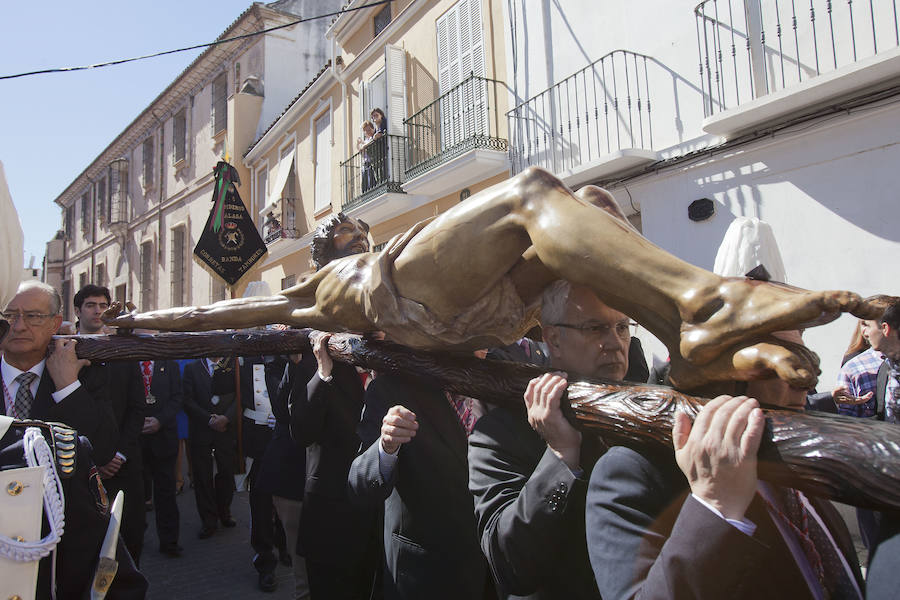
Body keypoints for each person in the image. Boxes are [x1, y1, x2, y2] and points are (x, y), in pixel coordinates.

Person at [102, 168, 884, 392]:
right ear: (326, 252)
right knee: (530, 194)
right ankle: (697, 309)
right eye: (336, 235)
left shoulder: (377, 256)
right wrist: (147, 324)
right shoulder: (321, 287)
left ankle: (687, 331)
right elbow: (247, 314)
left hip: (484, 312)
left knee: (584, 208)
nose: (345, 232)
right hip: (414, 306)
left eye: (346, 229)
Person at [585, 340, 864, 599]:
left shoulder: (793, 449)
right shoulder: (632, 472)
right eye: (780, 363)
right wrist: (715, 506)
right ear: (719, 377)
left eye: (806, 361)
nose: (805, 384)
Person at [468, 280, 637, 598]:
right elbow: (509, 565)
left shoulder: (645, 410)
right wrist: (560, 456)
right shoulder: (498, 433)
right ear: (553, 338)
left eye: (623, 327)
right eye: (595, 328)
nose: (615, 342)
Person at [348, 350, 494, 599]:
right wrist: (386, 447)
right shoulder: (392, 389)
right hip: (423, 576)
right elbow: (359, 485)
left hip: (490, 574)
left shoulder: (499, 383)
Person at [288, 332, 379, 599]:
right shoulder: (318, 363)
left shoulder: (388, 368)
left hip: (375, 521)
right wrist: (323, 374)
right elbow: (301, 432)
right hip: (330, 520)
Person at [0, 281, 117, 461]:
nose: (19, 326)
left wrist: (68, 387)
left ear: (55, 324)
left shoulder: (83, 374)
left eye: (33, 316)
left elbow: (102, 451)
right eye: (9, 315)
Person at [75, 284, 147, 564]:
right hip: (81, 467)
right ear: (78, 310)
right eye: (91, 305)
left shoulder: (123, 353)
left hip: (124, 465)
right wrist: (94, 459)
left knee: (130, 537)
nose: (98, 311)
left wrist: (119, 454)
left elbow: (136, 407)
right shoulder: (65, 351)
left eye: (103, 306)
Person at [255, 350, 313, 599]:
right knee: (304, 571)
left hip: (334, 470)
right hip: (293, 472)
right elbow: (283, 410)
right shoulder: (277, 359)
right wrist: (296, 362)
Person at [241, 354, 290, 592]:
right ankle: (265, 563)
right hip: (258, 441)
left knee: (285, 496)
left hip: (284, 439)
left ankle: (285, 546)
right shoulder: (245, 357)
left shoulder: (287, 356)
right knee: (260, 503)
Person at [137, 338, 184, 557]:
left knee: (165, 493)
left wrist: (159, 420)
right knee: (136, 494)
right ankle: (135, 537)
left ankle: (169, 541)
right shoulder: (128, 363)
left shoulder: (170, 363)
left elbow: (177, 398)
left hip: (163, 437)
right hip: (136, 439)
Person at [182, 356, 238, 538]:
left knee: (227, 473)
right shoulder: (192, 367)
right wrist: (208, 419)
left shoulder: (232, 365)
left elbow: (240, 395)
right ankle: (208, 520)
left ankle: (224, 512)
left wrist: (226, 418)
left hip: (225, 430)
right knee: (202, 477)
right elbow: (187, 400)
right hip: (201, 431)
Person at [357, 120, 377, 192]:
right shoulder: (366, 140)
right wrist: (359, 144)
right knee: (365, 182)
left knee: (371, 180)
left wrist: (363, 145)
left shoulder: (373, 137)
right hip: (366, 163)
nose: (367, 132)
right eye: (365, 130)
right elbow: (361, 152)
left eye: (368, 129)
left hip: (372, 162)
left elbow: (367, 147)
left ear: (372, 129)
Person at [369, 108, 388, 185]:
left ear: (381, 115)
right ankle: (380, 183)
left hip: (385, 150)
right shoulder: (376, 128)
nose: (375, 117)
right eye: (373, 116)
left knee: (384, 168)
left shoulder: (384, 122)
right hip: (380, 153)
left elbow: (380, 134)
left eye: (376, 115)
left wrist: (376, 137)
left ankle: (384, 182)